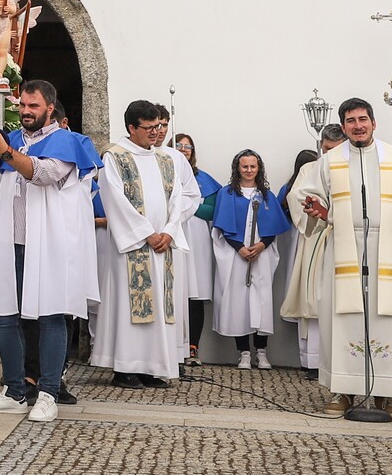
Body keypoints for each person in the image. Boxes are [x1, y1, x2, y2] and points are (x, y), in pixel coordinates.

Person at [289, 99, 392, 415]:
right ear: (343, 127)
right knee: (343, 318)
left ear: (373, 123)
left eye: (363, 119)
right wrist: (318, 211)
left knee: (389, 319)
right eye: (351, 121)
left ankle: (388, 393)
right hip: (344, 247)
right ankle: (342, 391)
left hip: (389, 248)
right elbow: (305, 196)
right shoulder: (328, 161)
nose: (358, 125)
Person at [0, 79, 101, 419]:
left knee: (51, 314)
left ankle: (47, 392)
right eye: (22, 106)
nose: (26, 112)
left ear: (50, 108)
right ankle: (14, 391)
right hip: (11, 239)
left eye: (34, 107)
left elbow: (42, 174)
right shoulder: (11, 140)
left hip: (50, 242)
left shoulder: (68, 141)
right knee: (5, 315)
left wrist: (3, 151)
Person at [91, 100, 201, 389]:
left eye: (158, 127)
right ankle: (125, 368)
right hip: (132, 248)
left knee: (159, 310)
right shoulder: (114, 157)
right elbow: (114, 199)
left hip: (161, 246)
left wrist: (169, 230)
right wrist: (145, 233)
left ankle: (151, 368)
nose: (156, 133)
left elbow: (178, 198)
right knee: (130, 307)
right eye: (149, 128)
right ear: (131, 127)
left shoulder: (166, 159)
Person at [210, 148, 289, 368]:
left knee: (261, 302)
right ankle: (244, 352)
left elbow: (274, 227)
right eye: (244, 166)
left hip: (260, 255)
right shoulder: (227, 194)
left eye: (253, 166)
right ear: (237, 168)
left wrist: (262, 245)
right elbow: (222, 228)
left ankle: (261, 353)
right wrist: (240, 249)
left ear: (259, 168)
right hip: (238, 255)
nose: (248, 170)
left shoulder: (265, 195)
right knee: (240, 303)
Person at [278, 126, 345, 376]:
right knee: (315, 297)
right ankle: (314, 361)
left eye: (336, 150)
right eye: (326, 149)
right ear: (321, 147)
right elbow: (298, 196)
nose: (330, 155)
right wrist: (315, 209)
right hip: (317, 237)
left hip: (346, 241)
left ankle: (343, 361)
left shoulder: (356, 170)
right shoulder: (310, 169)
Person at [171, 134, 222, 365]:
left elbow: (212, 210)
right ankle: (173, 346)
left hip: (198, 239)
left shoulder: (203, 178)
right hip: (173, 233)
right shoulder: (165, 170)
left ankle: (193, 347)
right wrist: (194, 204)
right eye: (179, 145)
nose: (184, 149)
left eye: (188, 146)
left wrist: (191, 205)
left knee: (195, 294)